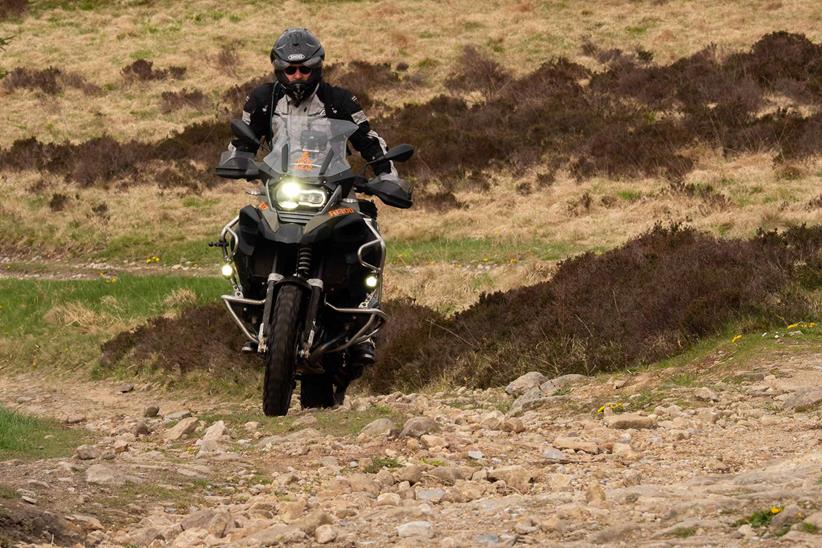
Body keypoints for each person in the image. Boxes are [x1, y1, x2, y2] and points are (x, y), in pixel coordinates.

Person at [230, 28, 400, 372]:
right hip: (279, 188)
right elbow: (242, 143)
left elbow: (369, 141)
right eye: (290, 70)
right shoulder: (262, 99)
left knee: (370, 242)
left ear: (317, 68)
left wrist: (387, 177)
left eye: (304, 69)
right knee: (238, 232)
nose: (297, 76)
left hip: (334, 191)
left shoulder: (341, 100)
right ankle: (251, 304)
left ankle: (363, 329)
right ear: (278, 69)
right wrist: (235, 162)